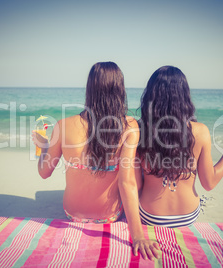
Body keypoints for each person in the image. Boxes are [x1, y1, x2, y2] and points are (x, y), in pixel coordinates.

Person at [32, 62, 160, 259]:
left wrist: (43, 148)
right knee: (132, 168)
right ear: (120, 90)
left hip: (71, 213)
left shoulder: (63, 126)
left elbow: (44, 173)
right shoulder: (129, 126)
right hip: (109, 216)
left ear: (89, 89)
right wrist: (138, 237)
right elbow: (127, 183)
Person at [136, 66, 223, 228]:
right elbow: (209, 184)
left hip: (150, 215)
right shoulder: (200, 131)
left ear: (150, 96)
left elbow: (136, 185)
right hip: (187, 216)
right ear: (184, 97)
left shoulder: (139, 131)